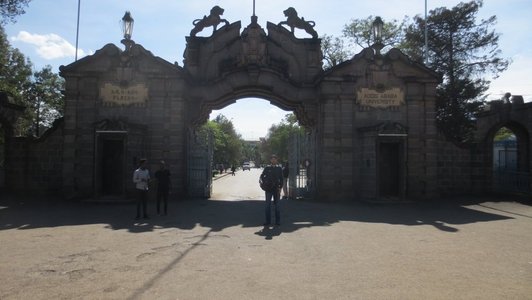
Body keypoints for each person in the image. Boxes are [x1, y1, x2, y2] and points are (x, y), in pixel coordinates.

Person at [260, 154, 283, 226]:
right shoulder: (267, 168)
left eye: (275, 159)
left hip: (276, 189)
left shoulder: (279, 168)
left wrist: (280, 187)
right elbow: (262, 176)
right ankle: (268, 221)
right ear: (270, 160)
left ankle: (277, 221)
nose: (273, 160)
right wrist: (264, 183)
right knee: (267, 206)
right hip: (268, 190)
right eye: (272, 159)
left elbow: (282, 179)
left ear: (276, 160)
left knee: (277, 206)